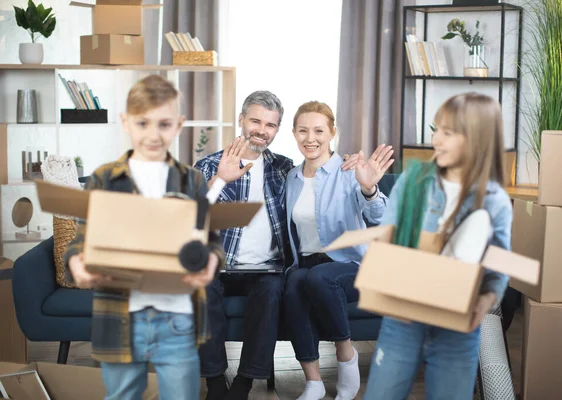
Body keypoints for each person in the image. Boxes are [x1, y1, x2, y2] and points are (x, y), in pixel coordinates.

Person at [64, 74, 226, 400]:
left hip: (178, 317)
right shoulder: (105, 178)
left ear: (179, 125)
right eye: (142, 123)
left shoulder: (191, 180)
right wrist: (78, 265)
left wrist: (212, 262)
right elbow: (81, 241)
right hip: (121, 314)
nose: (153, 135)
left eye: (164, 124)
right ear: (125, 122)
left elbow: (211, 241)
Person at [195, 92, 359, 400]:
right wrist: (219, 179)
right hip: (219, 263)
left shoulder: (284, 168)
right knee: (204, 289)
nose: (261, 130)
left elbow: (320, 173)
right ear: (241, 120)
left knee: (272, 291)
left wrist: (347, 163)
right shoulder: (208, 165)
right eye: (255, 121)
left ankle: (245, 382)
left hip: (267, 267)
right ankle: (215, 382)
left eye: (270, 125)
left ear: (277, 129)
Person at [362, 92, 513, 400]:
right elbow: (386, 237)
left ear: (476, 138)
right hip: (403, 319)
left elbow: (498, 267)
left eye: (448, 132)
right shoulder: (415, 180)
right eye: (436, 130)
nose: (436, 140)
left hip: (457, 328)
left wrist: (483, 305)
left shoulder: (495, 200)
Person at [283, 101, 394, 400]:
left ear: (332, 132)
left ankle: (346, 353)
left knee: (319, 277)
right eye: (303, 130)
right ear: (293, 133)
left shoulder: (350, 171)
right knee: (294, 282)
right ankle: (314, 383)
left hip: (352, 265)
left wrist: (370, 189)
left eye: (319, 130)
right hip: (306, 266)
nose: (311, 138)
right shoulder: (291, 179)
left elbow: (379, 219)